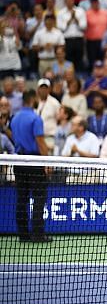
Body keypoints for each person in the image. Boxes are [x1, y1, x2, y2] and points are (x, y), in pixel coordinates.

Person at [10, 89, 51, 243]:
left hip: (19, 162)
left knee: (22, 198)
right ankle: (38, 234)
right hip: (34, 162)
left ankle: (23, 235)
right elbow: (40, 141)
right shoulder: (36, 118)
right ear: (32, 99)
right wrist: (47, 162)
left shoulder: (14, 118)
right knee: (39, 198)